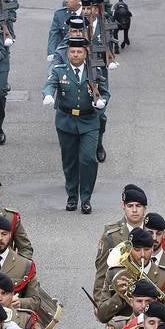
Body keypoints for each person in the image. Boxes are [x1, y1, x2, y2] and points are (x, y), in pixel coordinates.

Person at [42, 38, 109, 214]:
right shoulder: (59, 70)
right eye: (72, 52)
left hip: (89, 121)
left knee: (88, 159)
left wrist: (102, 101)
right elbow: (50, 84)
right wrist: (48, 95)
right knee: (70, 161)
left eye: (79, 52)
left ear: (85, 53)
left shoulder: (95, 71)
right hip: (66, 121)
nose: (76, 55)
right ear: (67, 53)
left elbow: (105, 91)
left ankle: (86, 198)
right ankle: (72, 196)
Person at [96, 227, 165, 324]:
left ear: (152, 249)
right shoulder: (114, 274)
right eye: (137, 249)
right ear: (129, 250)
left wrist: (158, 310)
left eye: (147, 249)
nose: (142, 254)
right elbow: (102, 316)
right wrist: (120, 296)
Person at [93, 183, 148, 302]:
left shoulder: (154, 233)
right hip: (119, 300)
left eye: (138, 206)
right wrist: (99, 302)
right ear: (123, 206)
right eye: (130, 206)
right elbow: (102, 271)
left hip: (148, 299)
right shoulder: (112, 235)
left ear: (145, 209)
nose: (134, 210)